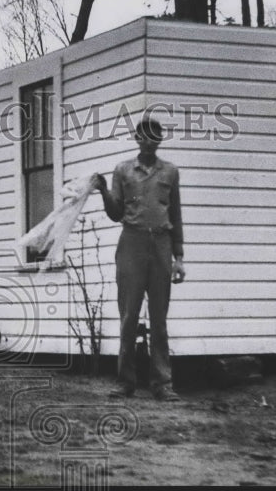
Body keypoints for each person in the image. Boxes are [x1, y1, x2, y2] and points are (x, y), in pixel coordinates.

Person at [92, 117, 186, 401]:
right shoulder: (122, 170)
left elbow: (176, 215)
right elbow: (115, 213)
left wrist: (178, 257)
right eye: (143, 136)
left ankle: (162, 383)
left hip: (161, 244)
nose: (148, 140)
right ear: (136, 138)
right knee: (129, 315)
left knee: (159, 318)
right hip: (131, 243)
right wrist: (103, 191)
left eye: (154, 136)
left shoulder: (170, 172)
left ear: (159, 140)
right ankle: (125, 381)